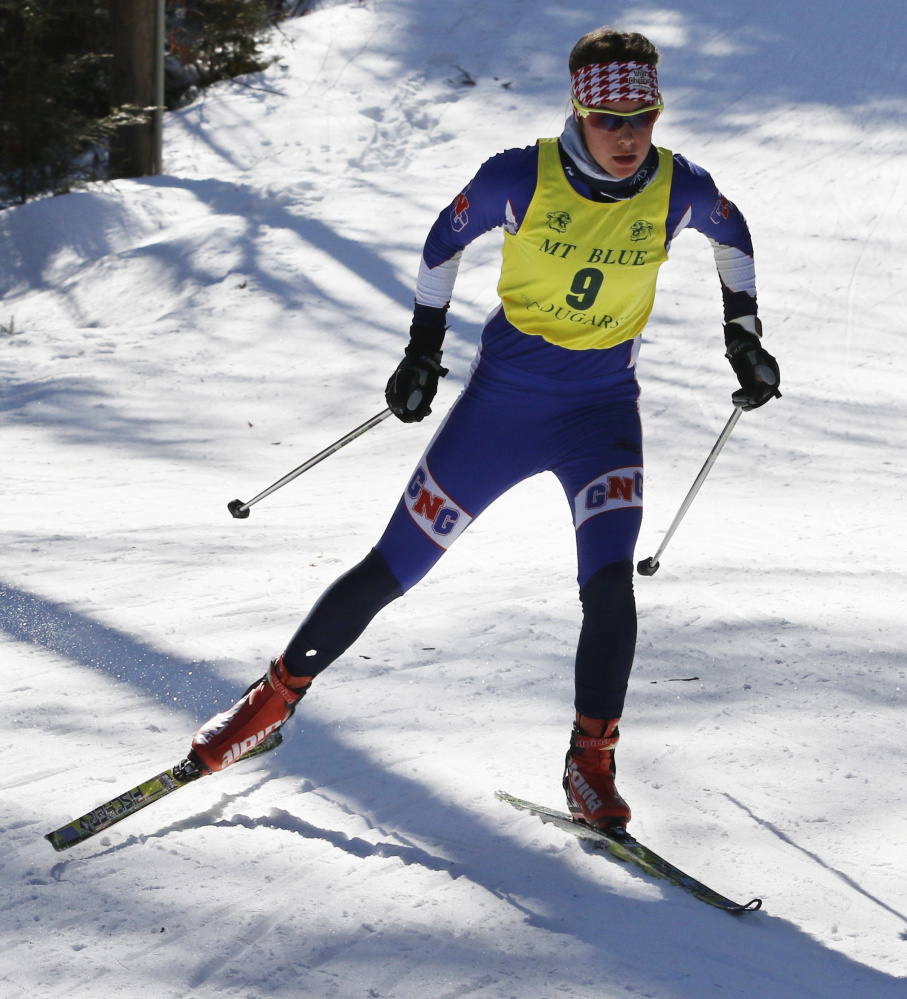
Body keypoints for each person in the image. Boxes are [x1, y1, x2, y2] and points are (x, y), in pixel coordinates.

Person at [188, 26, 780, 831]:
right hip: (502, 408)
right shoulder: (518, 177)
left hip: (601, 415)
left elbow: (731, 230)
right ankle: (268, 703)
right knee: (389, 569)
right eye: (611, 121)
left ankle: (589, 764)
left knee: (609, 591)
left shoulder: (676, 186)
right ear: (578, 111)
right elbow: (442, 242)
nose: (628, 136)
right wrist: (421, 351)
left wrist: (741, 333)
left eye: (643, 117)